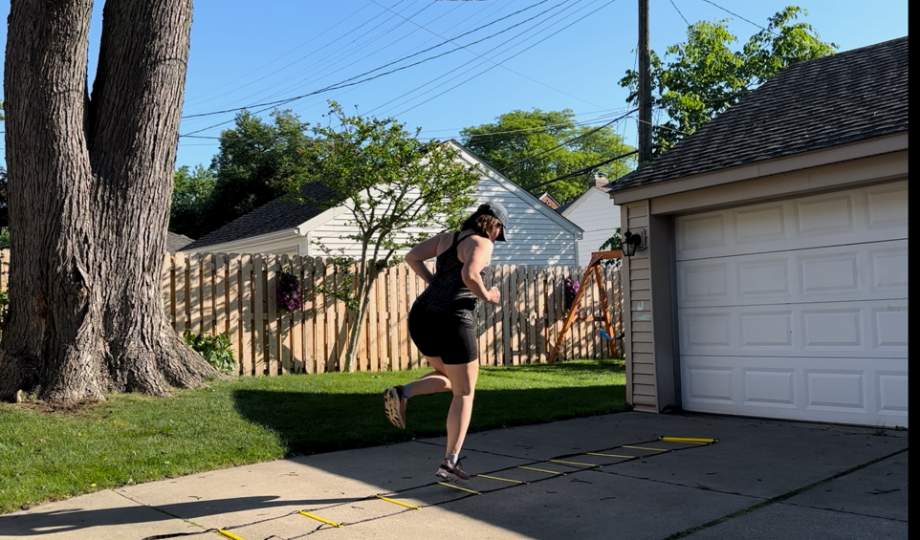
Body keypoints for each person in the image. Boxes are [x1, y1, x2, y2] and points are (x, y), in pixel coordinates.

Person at [383, 201, 508, 482]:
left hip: (423, 315)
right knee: (465, 392)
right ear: (494, 225)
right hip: (453, 319)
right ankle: (450, 461)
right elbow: (469, 276)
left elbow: (412, 257)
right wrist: (489, 295)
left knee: (451, 379)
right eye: (499, 231)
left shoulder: (446, 239)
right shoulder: (481, 243)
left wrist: (433, 282)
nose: (497, 237)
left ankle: (403, 392)